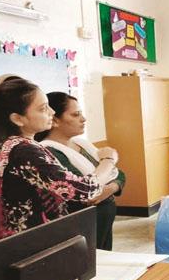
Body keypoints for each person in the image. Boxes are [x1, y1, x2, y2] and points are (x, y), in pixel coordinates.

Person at [0, 77, 118, 280]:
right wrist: (108, 160)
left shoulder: (3, 147)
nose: (51, 112)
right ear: (17, 118)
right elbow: (83, 189)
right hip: (24, 251)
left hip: (7, 247)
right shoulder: (24, 150)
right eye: (42, 108)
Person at [36, 92, 126, 251]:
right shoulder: (50, 151)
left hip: (103, 217)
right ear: (55, 120)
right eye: (76, 115)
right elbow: (84, 193)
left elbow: (119, 174)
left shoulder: (81, 144)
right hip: (82, 223)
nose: (83, 119)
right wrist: (108, 162)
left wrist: (110, 188)